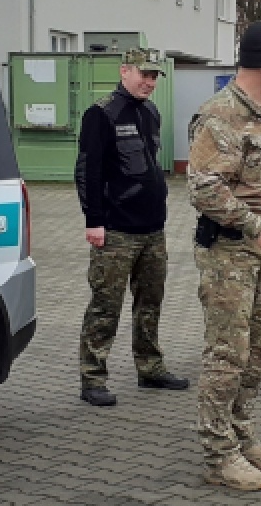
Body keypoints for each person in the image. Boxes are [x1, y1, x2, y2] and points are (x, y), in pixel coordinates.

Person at [186, 21, 261, 491]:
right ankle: (218, 455)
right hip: (232, 254)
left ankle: (242, 435)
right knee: (227, 355)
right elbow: (204, 188)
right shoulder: (220, 115)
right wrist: (259, 226)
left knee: (260, 351)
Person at [74, 48, 188, 406]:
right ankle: (92, 378)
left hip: (152, 227)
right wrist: (94, 221)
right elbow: (87, 172)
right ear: (125, 71)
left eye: (154, 77)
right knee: (106, 304)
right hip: (116, 230)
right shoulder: (101, 113)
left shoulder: (151, 112)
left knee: (150, 301)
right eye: (144, 74)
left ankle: (150, 367)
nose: (149, 82)